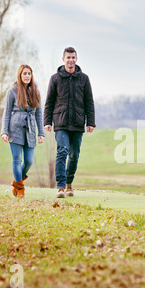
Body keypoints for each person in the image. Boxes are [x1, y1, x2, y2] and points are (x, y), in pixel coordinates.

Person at [44, 47, 95, 198]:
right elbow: (49, 102)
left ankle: (68, 184)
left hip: (78, 122)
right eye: (68, 58)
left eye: (73, 57)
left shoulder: (84, 79)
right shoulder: (55, 78)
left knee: (74, 155)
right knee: (62, 151)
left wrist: (90, 122)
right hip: (61, 122)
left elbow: (89, 102)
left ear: (76, 59)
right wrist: (47, 121)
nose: (71, 60)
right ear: (63, 59)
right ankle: (60, 187)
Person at [1, 65, 45, 198]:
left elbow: (38, 114)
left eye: (29, 74)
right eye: (24, 74)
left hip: (30, 129)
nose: (27, 76)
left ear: (31, 76)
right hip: (15, 128)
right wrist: (4, 131)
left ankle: (16, 182)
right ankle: (20, 189)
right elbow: (6, 112)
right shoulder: (12, 92)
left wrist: (41, 133)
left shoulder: (36, 92)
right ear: (20, 76)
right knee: (16, 159)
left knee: (29, 160)